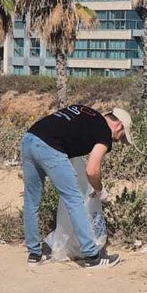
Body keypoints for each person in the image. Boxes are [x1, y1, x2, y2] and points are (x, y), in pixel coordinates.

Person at [21, 103, 134, 269]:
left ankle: (34, 254)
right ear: (118, 125)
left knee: (31, 200)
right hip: (50, 147)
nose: (117, 141)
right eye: (121, 136)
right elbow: (92, 170)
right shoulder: (104, 132)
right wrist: (100, 190)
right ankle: (92, 256)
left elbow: (66, 132)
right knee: (75, 200)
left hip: (29, 139)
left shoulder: (85, 112)